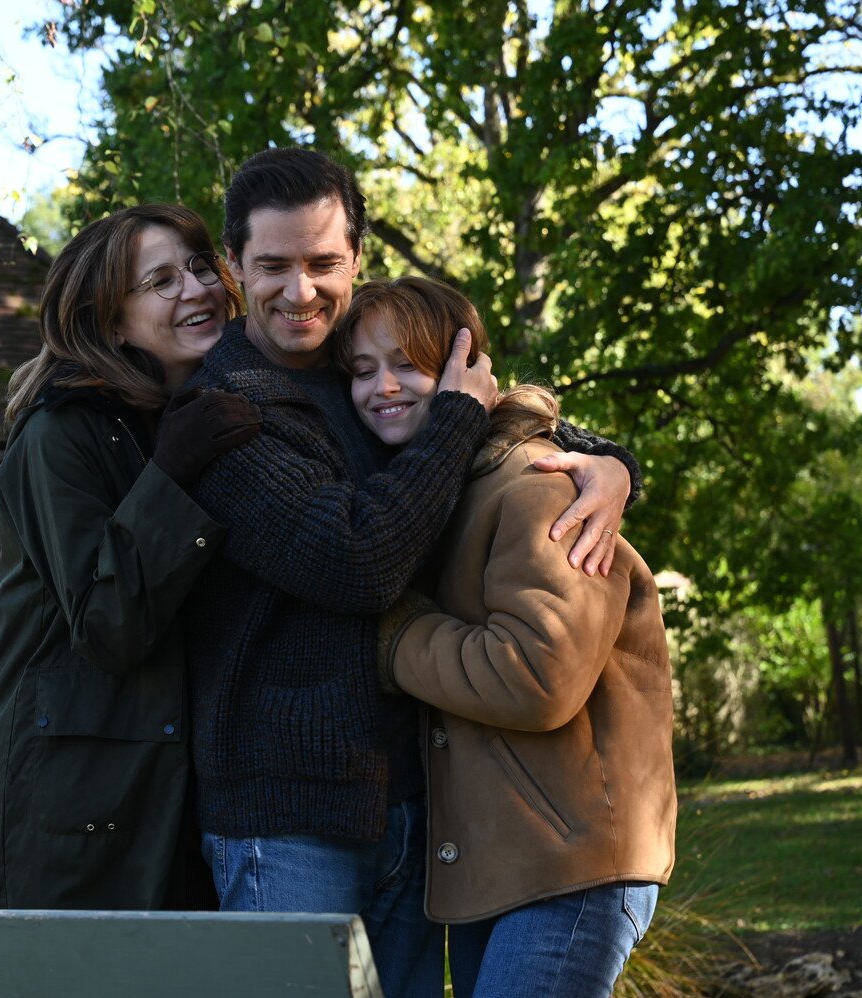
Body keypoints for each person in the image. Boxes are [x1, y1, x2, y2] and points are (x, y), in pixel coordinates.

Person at [181, 148, 642, 996]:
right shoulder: (223, 412)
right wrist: (459, 416)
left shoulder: (361, 368)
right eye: (273, 265)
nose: (300, 290)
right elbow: (357, 561)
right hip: (287, 822)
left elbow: (490, 435)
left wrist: (608, 463)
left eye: (323, 262)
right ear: (234, 266)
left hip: (417, 812)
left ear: (356, 257)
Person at [350, 276, 677, 997]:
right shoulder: (443, 490)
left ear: (465, 369)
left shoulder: (536, 484)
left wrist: (398, 636)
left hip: (572, 865)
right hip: (502, 865)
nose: (383, 387)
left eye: (407, 364)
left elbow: (537, 676)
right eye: (363, 369)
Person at [0, 203, 263, 910]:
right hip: (78, 808)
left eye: (200, 266)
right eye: (161, 281)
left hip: (182, 797)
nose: (197, 289)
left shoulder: (189, 410)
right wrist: (171, 475)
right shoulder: (58, 435)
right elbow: (108, 622)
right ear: (109, 323)